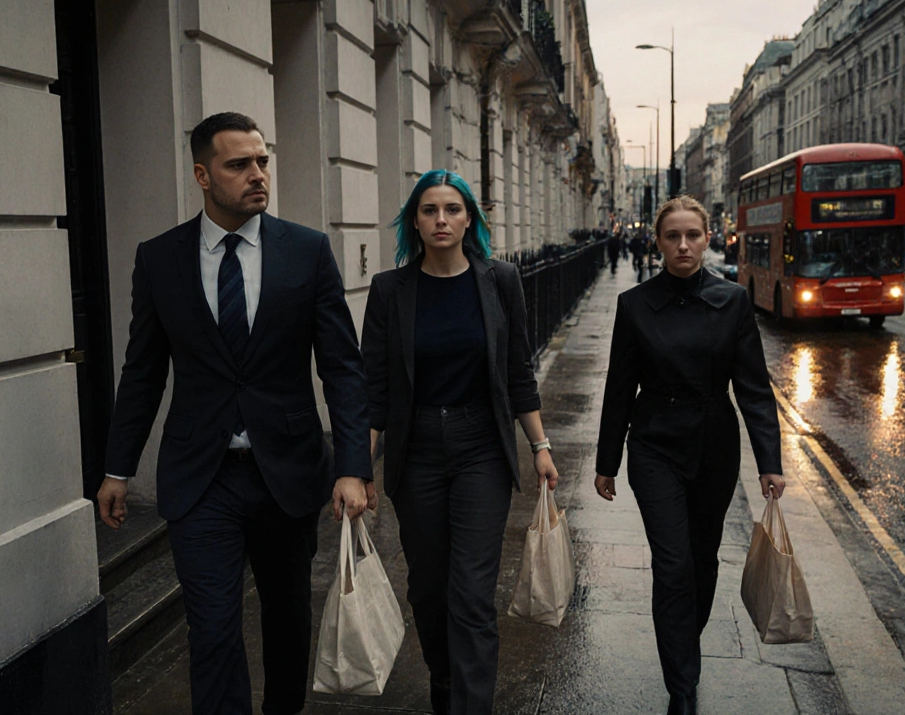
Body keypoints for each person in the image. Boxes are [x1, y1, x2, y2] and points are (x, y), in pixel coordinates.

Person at [97, 112, 373, 715]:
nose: (257, 175)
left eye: (262, 161)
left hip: (288, 473)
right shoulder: (160, 258)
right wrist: (118, 468)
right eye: (238, 164)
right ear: (202, 174)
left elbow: (343, 368)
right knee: (214, 629)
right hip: (203, 476)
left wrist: (353, 465)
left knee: (286, 621)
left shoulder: (306, 251)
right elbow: (143, 371)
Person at [361, 169, 559, 715]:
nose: (440, 219)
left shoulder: (500, 281)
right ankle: (444, 678)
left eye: (452, 209)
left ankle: (471, 704)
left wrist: (540, 447)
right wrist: (358, 466)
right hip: (417, 448)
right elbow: (374, 389)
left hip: (480, 448)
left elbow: (518, 372)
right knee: (428, 589)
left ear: (469, 218)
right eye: (429, 210)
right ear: (415, 221)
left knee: (472, 593)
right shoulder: (389, 291)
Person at [594, 195, 785, 715]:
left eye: (692, 236)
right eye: (672, 236)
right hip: (654, 442)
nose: (683, 245)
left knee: (702, 561)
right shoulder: (634, 305)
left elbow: (753, 388)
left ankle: (684, 643)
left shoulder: (733, 301)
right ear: (657, 243)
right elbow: (619, 386)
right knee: (673, 564)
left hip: (713, 444)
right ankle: (682, 686)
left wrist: (770, 460)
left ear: (707, 238)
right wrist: (606, 461)